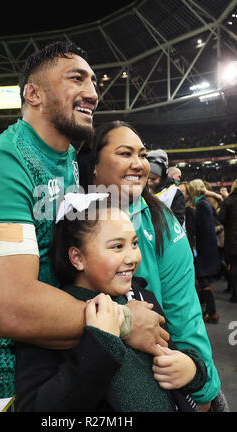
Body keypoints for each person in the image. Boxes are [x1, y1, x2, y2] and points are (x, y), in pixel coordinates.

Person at [0, 42, 168, 412]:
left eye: (93, 81)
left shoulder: (70, 162)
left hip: (47, 365)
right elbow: (10, 308)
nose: (92, 92)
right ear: (33, 93)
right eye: (76, 79)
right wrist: (124, 321)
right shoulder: (2, 163)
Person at [15, 194, 207, 412]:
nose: (132, 257)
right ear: (77, 257)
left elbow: (174, 353)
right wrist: (99, 345)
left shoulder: (143, 298)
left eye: (134, 243)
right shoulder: (48, 317)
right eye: (117, 246)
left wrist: (191, 369)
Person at [77, 121, 221, 410]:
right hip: (81, 377)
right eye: (125, 153)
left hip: (155, 381)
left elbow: (185, 315)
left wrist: (201, 387)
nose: (139, 164)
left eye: (142, 154)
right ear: (94, 165)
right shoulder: (67, 215)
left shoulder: (163, 225)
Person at [188, 179, 221, 324]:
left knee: (204, 281)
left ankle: (212, 312)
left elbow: (201, 229)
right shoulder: (205, 203)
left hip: (204, 249)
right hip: (209, 248)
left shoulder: (200, 205)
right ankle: (207, 310)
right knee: (204, 280)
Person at [146, 149, 185, 226]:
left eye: (153, 179)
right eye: (147, 178)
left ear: (163, 177)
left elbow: (177, 223)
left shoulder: (175, 193)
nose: (149, 182)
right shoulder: (139, 190)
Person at [218, 179, 237, 303]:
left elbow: (221, 218)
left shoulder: (228, 201)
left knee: (234, 266)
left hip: (232, 240)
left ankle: (235, 294)